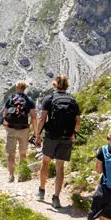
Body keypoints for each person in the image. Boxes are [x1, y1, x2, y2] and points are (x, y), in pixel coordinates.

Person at [33, 74, 80, 208]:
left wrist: (37, 135)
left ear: (55, 84)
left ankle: (41, 190)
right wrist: (74, 134)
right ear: (67, 85)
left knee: (46, 162)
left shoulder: (49, 98)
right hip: (66, 137)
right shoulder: (72, 100)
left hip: (51, 136)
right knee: (60, 167)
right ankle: (56, 198)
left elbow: (42, 119)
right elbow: (77, 121)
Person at [1, 80, 33, 178]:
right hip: (24, 129)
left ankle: (11, 175)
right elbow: (33, 116)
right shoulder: (29, 100)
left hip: (11, 128)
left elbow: (5, 113)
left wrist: (6, 125)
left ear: (17, 87)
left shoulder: (11, 98)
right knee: (23, 153)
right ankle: (22, 174)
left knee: (11, 153)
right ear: (25, 88)